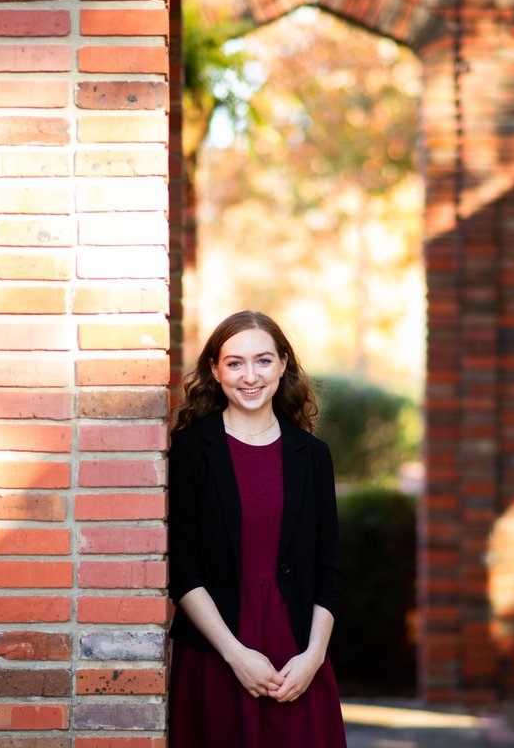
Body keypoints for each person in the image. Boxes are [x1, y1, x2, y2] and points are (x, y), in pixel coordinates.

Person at [167, 310, 347, 747]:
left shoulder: (312, 455)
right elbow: (184, 572)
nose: (250, 376)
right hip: (218, 651)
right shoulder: (192, 450)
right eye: (235, 363)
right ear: (215, 369)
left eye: (263, 360)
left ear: (284, 364)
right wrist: (236, 656)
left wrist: (313, 658)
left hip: (297, 657)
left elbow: (329, 569)